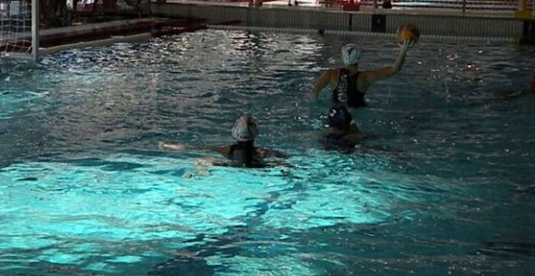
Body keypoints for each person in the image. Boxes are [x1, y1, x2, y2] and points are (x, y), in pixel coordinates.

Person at [159, 115, 287, 168]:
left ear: (234, 133)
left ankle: (199, 174)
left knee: (200, 160)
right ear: (256, 133)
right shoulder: (262, 152)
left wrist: (165, 145)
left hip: (232, 167)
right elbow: (284, 156)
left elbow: (192, 148)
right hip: (259, 169)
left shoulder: (227, 150)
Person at [311, 41, 412, 107]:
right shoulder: (366, 77)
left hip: (336, 113)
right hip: (358, 113)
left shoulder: (331, 74)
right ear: (359, 58)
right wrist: (403, 50)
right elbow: (394, 69)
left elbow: (314, 92)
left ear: (343, 56)